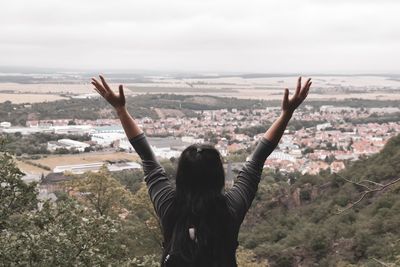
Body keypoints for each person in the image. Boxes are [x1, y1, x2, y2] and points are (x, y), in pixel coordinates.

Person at [91, 75, 312, 267]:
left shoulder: (168, 205)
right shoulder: (230, 209)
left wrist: (120, 110)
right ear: (218, 176)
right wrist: (286, 113)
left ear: (181, 175)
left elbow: (146, 156)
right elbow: (257, 160)